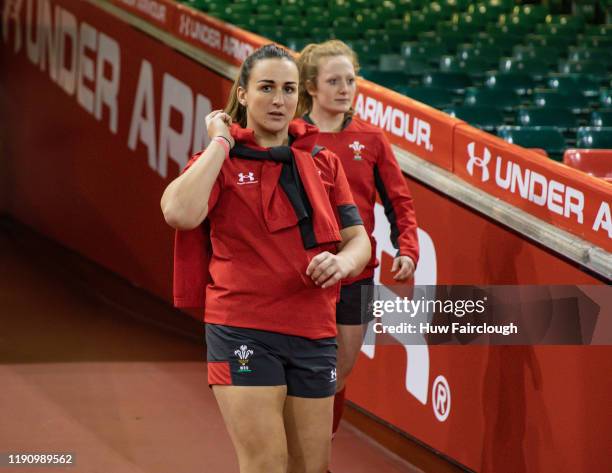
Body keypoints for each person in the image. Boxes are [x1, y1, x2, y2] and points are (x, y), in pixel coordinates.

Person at [160, 44, 371, 473]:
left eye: (289, 89)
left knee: (311, 467)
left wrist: (344, 264)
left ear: (300, 98)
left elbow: (358, 241)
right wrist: (221, 140)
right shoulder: (218, 161)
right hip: (243, 327)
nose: (279, 100)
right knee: (266, 465)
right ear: (243, 94)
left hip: (313, 330)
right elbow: (178, 212)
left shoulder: (322, 162)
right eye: (267, 88)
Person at [297, 40, 420, 437]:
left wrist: (408, 251)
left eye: (350, 79)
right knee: (299, 373)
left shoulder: (372, 140)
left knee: (338, 372)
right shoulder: (291, 136)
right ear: (311, 87)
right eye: (333, 81)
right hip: (300, 274)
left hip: (355, 275)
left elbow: (398, 201)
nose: (345, 88)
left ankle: (318, 452)